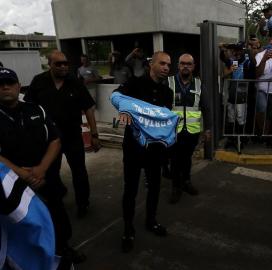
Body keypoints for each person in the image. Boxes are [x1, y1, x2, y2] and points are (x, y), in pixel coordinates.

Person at [0, 67, 85, 269]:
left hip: (45, 178)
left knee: (57, 217)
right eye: (0, 84)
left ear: (18, 86)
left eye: (10, 83)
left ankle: (63, 249)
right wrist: (22, 174)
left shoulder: (36, 110)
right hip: (12, 188)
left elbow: (55, 141)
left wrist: (41, 169)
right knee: (23, 227)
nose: (5, 87)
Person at [24, 50, 101, 218]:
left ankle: (83, 203)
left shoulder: (75, 82)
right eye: (58, 63)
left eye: (65, 63)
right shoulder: (39, 82)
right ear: (49, 65)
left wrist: (94, 135)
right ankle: (55, 201)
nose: (63, 66)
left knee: (79, 171)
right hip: (49, 139)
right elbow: (29, 107)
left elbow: (88, 107)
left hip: (72, 135)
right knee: (51, 172)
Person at [114, 51, 173, 253]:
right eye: (163, 63)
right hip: (133, 148)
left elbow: (165, 121)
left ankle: (151, 221)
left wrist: (166, 145)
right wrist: (129, 122)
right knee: (130, 189)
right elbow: (119, 102)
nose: (166, 67)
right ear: (152, 64)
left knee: (155, 187)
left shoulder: (167, 92)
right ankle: (128, 229)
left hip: (155, 150)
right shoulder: (134, 84)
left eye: (168, 64)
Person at [167, 53, 209, 204]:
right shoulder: (169, 82)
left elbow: (206, 108)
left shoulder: (198, 84)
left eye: (188, 64)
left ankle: (186, 182)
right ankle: (175, 187)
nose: (185, 66)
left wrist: (208, 129)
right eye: (182, 63)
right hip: (173, 131)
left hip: (192, 131)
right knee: (175, 160)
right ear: (178, 65)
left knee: (186, 159)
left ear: (193, 66)